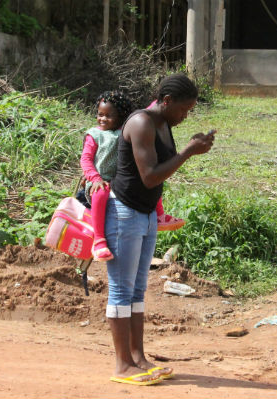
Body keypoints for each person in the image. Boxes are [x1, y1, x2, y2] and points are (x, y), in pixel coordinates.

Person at [104, 74, 215, 385]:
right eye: (184, 109)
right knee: (122, 290)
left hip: (146, 214)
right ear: (167, 102)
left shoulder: (163, 123)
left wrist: (192, 147)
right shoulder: (141, 123)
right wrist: (187, 153)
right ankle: (122, 364)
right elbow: (151, 176)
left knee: (137, 291)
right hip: (124, 213)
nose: (185, 115)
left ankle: (138, 358)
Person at [79, 91, 186, 262]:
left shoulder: (127, 128)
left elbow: (148, 110)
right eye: (100, 115)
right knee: (101, 193)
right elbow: (85, 159)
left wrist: (161, 103)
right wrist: (95, 178)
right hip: (101, 180)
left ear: (121, 116)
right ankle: (99, 240)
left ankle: (160, 215)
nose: (103, 119)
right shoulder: (95, 134)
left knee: (152, 180)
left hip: (121, 178)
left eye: (108, 115)